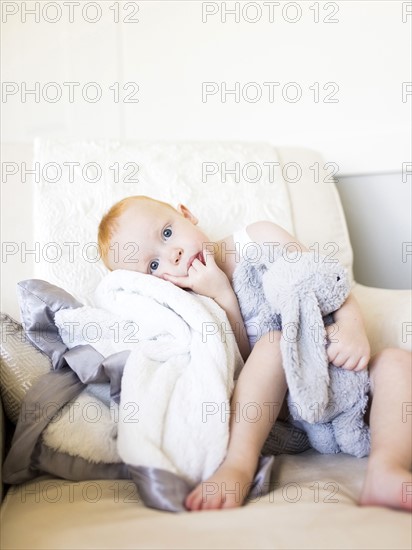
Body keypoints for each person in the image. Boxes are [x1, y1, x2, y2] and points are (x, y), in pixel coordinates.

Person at [98, 195, 412, 513]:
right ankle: (237, 466)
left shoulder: (257, 238)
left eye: (167, 233)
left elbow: (323, 278)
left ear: (186, 214)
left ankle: (386, 469)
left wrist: (351, 326)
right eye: (154, 265)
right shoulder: (189, 306)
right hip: (282, 413)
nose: (173, 254)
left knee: (398, 362)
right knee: (273, 344)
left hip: (337, 370)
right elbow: (240, 367)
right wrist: (222, 293)